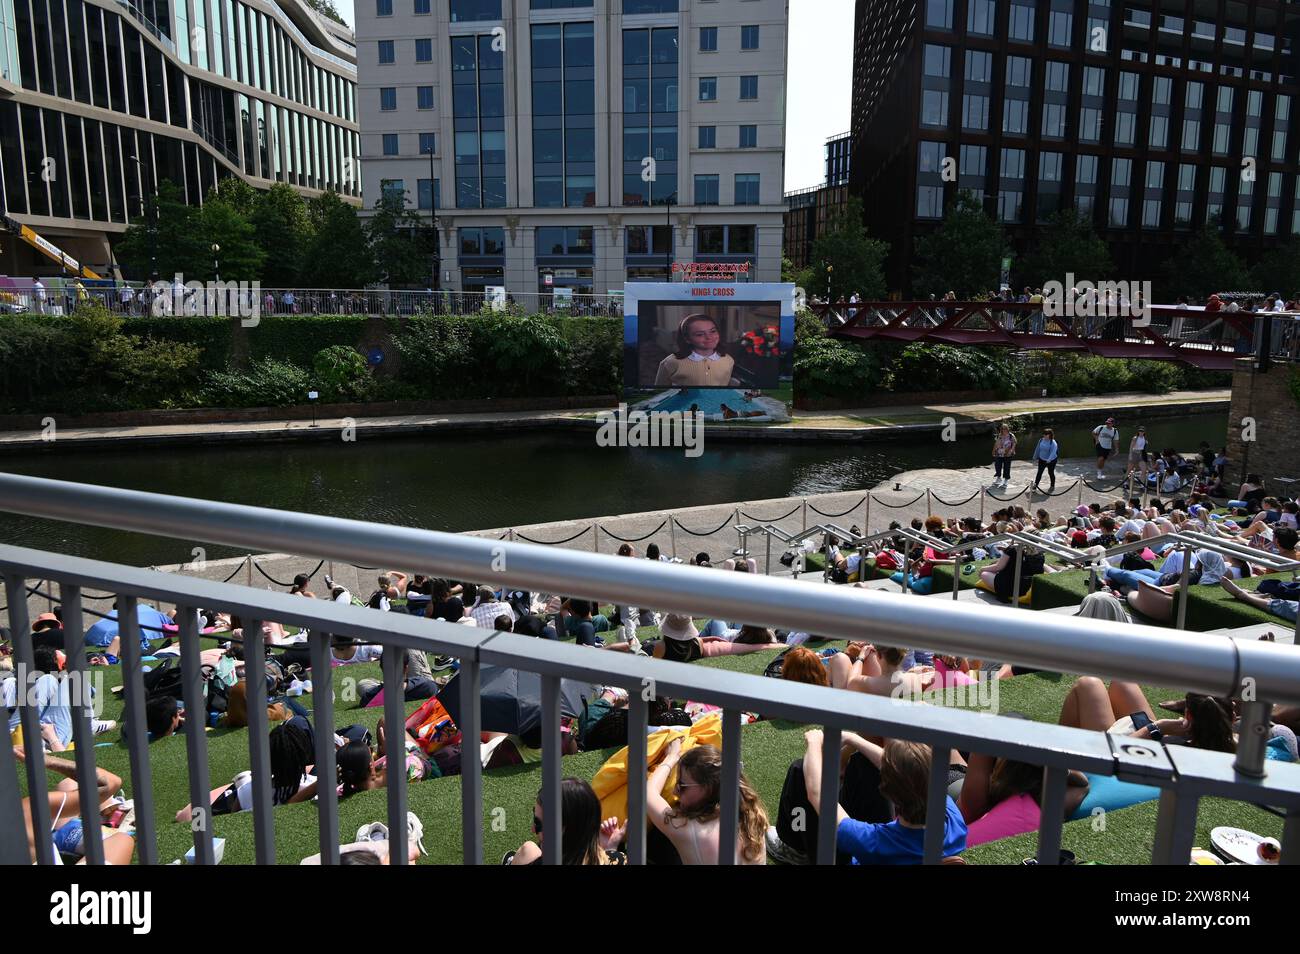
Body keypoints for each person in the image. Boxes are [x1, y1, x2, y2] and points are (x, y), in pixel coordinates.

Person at [772, 730, 966, 865]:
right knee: (863, 764)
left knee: (800, 770)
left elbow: (816, 793)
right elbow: (906, 775)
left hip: (846, 858)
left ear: (890, 795)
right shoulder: (953, 820)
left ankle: (795, 850)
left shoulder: (872, 841)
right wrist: (853, 739)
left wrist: (813, 743)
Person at [646, 739, 767, 864]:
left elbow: (648, 793)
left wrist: (671, 756)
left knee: (656, 834)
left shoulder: (686, 829)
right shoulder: (752, 815)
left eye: (682, 785)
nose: (675, 792)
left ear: (708, 789)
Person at [14, 748, 136, 864]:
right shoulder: (27, 809)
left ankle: (104, 815)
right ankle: (108, 814)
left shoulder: (25, 811)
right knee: (122, 840)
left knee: (68, 784)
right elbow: (110, 783)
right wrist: (47, 761)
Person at [506, 777, 627, 865]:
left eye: (539, 824)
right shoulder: (620, 860)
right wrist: (609, 850)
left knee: (529, 849)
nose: (533, 829)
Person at [653, 314, 736, 388]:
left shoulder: (728, 360)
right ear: (687, 339)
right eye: (700, 334)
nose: (709, 337)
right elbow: (659, 390)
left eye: (713, 331)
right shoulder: (670, 362)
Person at [1031, 428, 1059, 493]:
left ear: (1050, 435)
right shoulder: (1041, 440)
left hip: (1051, 460)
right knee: (1039, 473)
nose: (1044, 435)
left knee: (1050, 472)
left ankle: (1052, 485)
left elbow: (1053, 452)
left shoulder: (1053, 442)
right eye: (1044, 434)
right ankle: (1035, 486)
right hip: (1042, 459)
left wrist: (1049, 460)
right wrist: (1035, 456)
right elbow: (1038, 448)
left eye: (1046, 434)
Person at [991, 423, 1016, 490]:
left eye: (1005, 428)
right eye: (1002, 429)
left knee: (1007, 467)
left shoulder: (1011, 436)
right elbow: (996, 443)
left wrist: (1011, 451)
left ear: (1007, 429)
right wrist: (993, 451)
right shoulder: (1000, 435)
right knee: (997, 465)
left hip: (1008, 454)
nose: (1003, 430)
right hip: (999, 453)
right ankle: (998, 477)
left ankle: (1006, 479)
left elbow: (1014, 444)